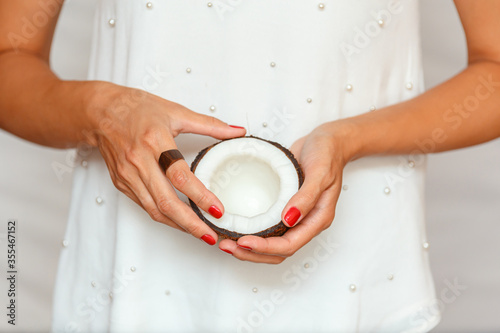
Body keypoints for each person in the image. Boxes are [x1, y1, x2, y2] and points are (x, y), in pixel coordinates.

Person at [1, 0, 499, 332]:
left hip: (352, 286)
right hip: (130, 285)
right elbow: (9, 57)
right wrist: (103, 112)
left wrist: (349, 140)